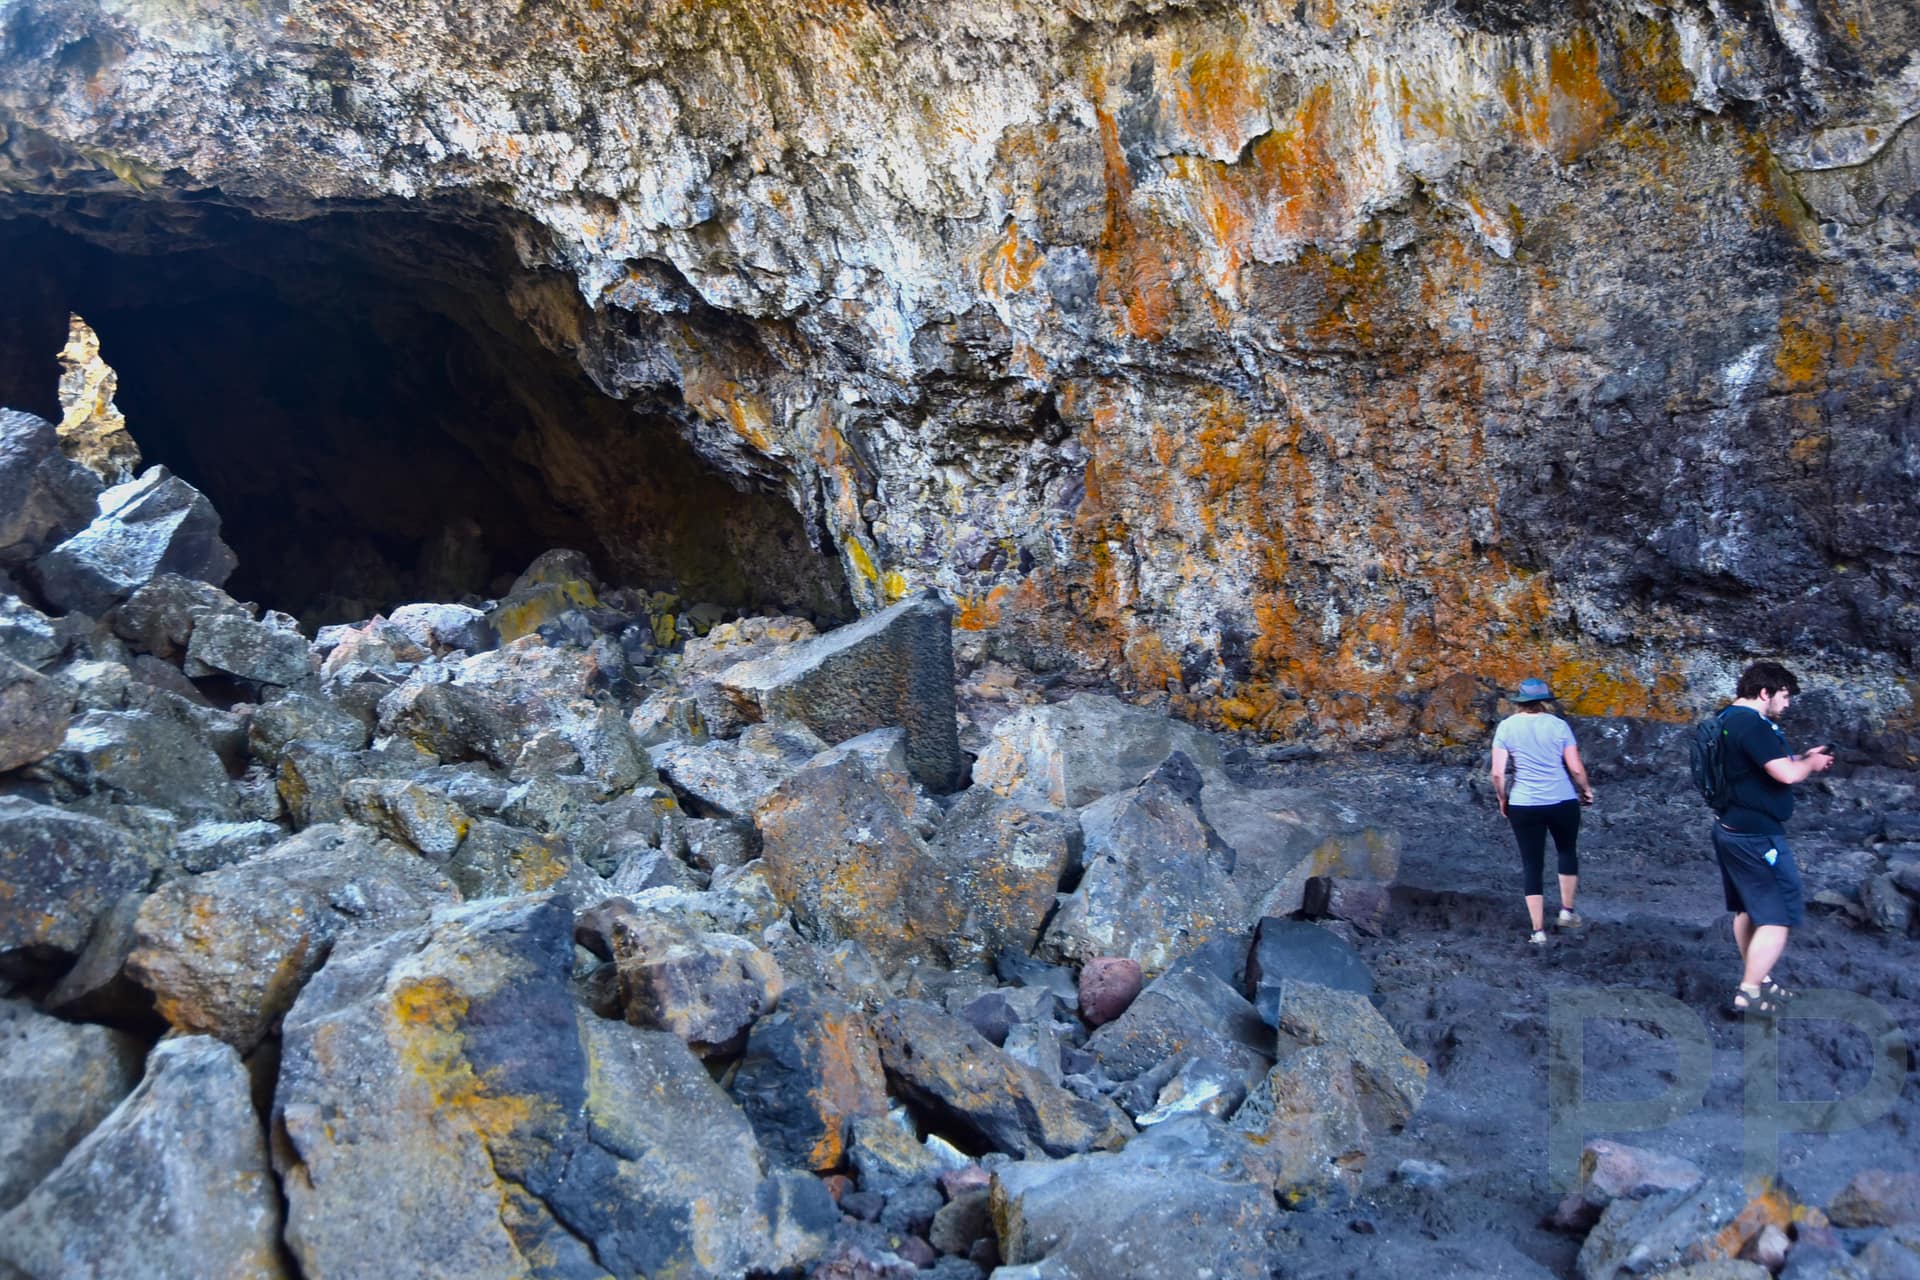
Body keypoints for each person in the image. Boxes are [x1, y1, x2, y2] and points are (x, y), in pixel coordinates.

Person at [1711, 661, 1832, 1018]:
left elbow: (1761, 766)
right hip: (1757, 836)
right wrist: (1808, 766)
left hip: (1729, 827)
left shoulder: (1726, 719)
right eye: (1784, 696)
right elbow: (1785, 774)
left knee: (1748, 908)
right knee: (1777, 915)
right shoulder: (1753, 724)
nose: (1788, 704)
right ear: (1765, 692)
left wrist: (1802, 758)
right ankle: (1749, 992)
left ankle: (1759, 977)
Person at [1490, 677, 1595, 946]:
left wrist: (1503, 799)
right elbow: (1575, 768)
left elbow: (1498, 774)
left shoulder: (1506, 727)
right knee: (1566, 851)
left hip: (1524, 804)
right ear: (1545, 701)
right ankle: (1566, 912)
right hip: (1561, 800)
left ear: (1520, 702)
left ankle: (1538, 932)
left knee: (1531, 863)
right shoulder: (1559, 726)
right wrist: (1585, 790)